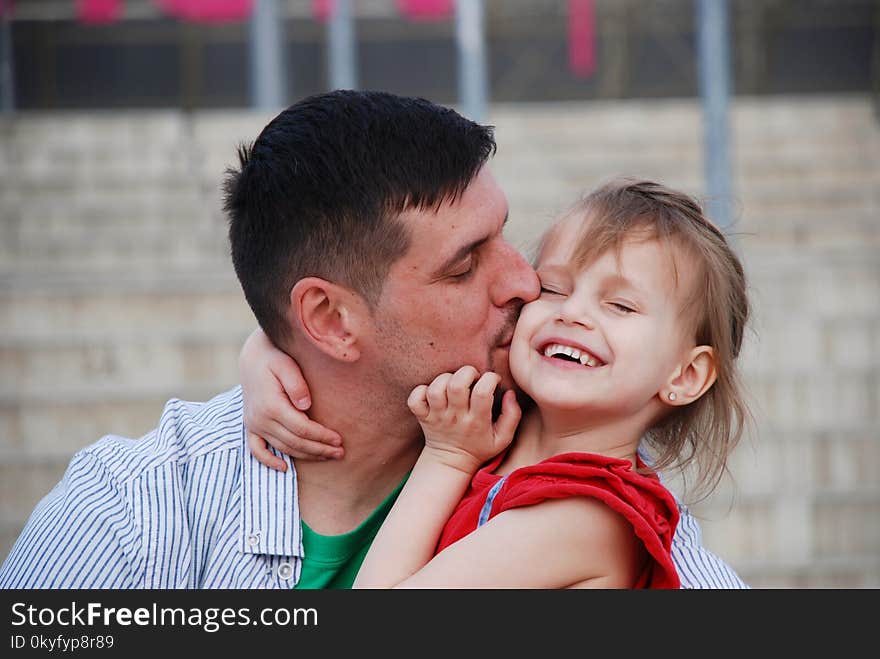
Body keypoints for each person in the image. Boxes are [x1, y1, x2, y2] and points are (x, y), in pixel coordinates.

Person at [0, 89, 743, 589]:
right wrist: (263, 352)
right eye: (465, 265)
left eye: (506, 238)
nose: (524, 285)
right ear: (328, 321)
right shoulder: (133, 514)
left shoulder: (541, 443)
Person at [241, 180, 752, 588]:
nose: (573, 314)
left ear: (685, 375)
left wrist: (448, 457)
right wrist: (263, 353)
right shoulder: (497, 420)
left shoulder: (588, 517)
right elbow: (346, 341)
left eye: (619, 306)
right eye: (553, 288)